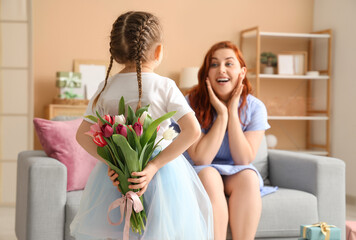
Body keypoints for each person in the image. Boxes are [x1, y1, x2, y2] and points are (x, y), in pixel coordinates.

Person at [70, 11, 213, 240]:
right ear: (158, 51)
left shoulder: (105, 86)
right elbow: (193, 131)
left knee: (117, 231)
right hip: (162, 175)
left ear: (115, 53)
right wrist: (155, 165)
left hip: (117, 178)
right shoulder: (164, 85)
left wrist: (114, 162)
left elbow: (82, 135)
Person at [183, 41, 277, 240]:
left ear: (242, 72)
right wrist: (222, 116)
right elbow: (202, 159)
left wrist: (232, 112)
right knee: (209, 174)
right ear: (206, 73)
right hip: (201, 170)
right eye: (214, 64)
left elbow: (243, 159)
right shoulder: (189, 103)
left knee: (249, 177)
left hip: (235, 171)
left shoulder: (255, 107)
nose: (221, 70)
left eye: (229, 64)